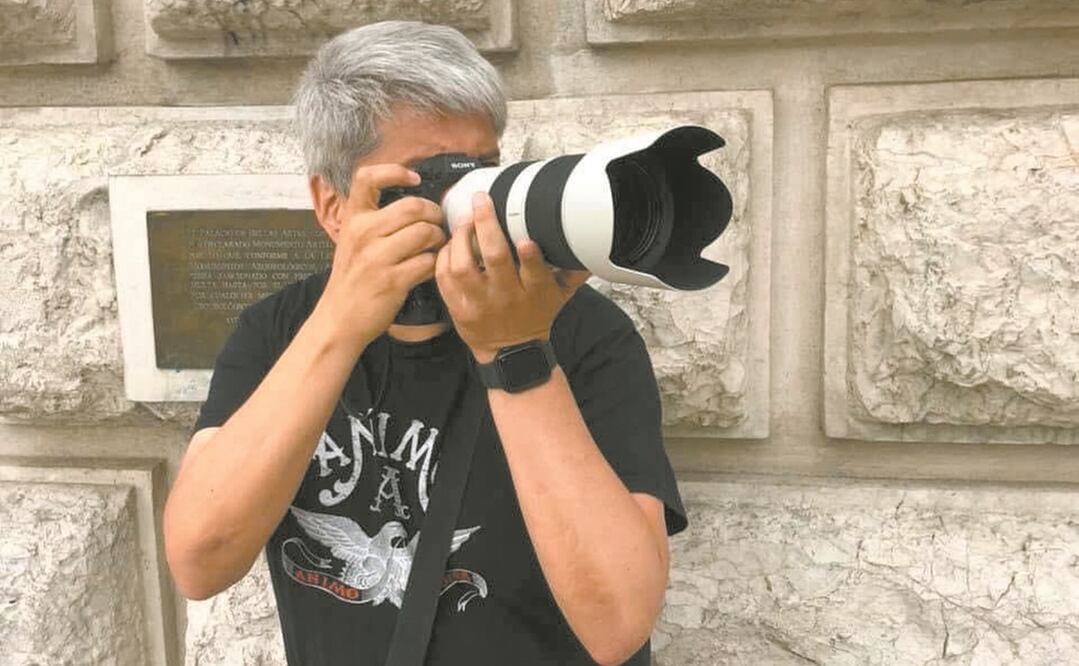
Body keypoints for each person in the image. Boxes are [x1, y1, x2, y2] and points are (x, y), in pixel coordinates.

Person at [163, 20, 686, 666]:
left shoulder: (584, 337)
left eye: (484, 171)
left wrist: (515, 350)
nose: (472, 207)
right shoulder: (278, 332)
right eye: (434, 178)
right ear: (332, 205)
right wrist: (340, 323)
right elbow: (199, 562)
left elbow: (618, 625)